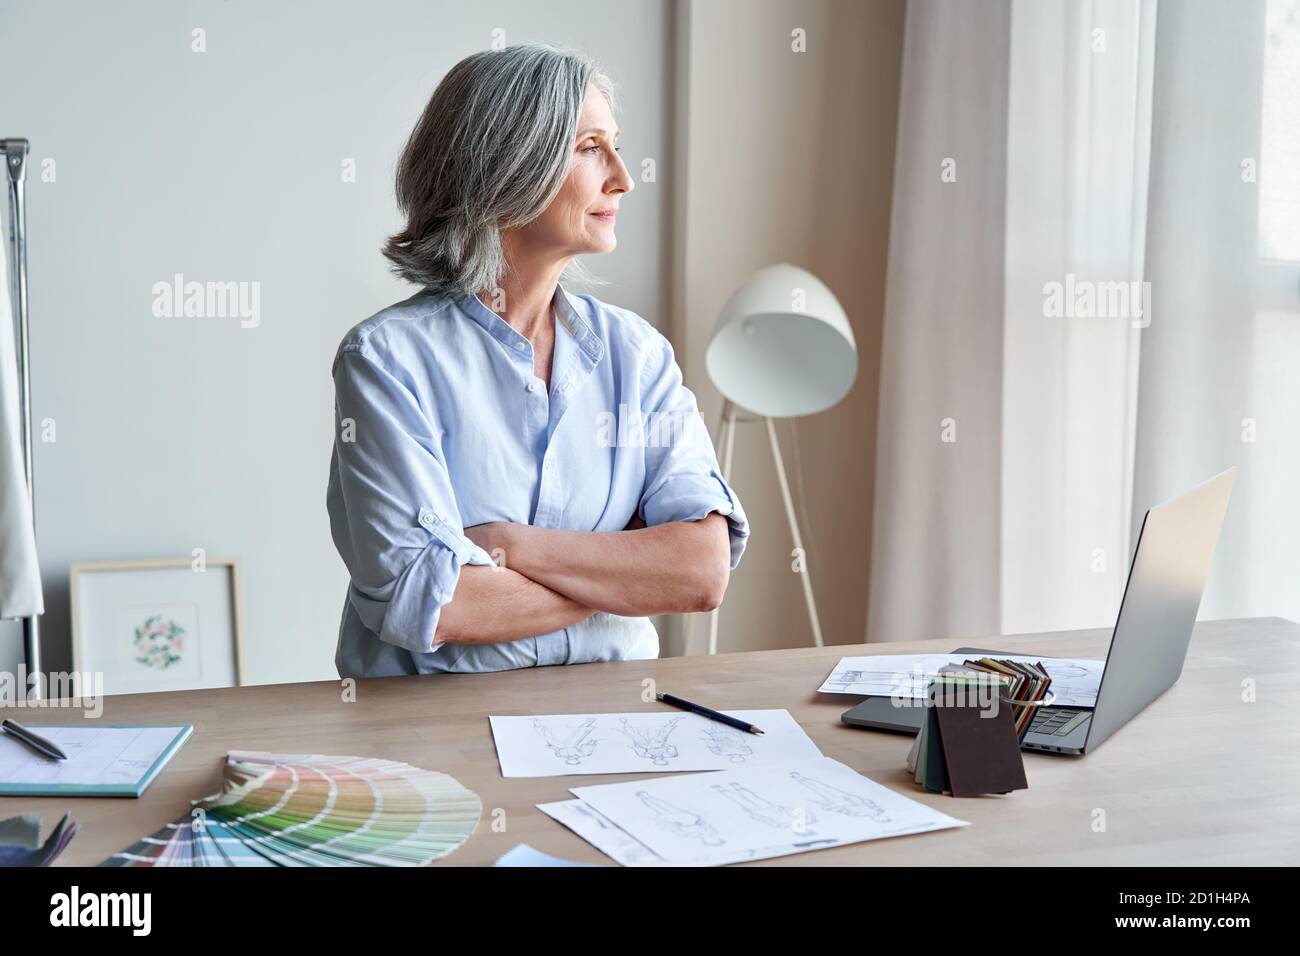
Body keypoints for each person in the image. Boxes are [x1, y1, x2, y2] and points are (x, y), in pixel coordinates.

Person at [327, 43, 748, 678]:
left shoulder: (638, 356)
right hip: (439, 736)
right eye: (589, 147)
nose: (623, 177)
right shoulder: (386, 360)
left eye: (615, 144)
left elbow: (699, 571)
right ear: (506, 166)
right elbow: (433, 603)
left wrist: (503, 546)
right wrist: (623, 572)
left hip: (616, 723)